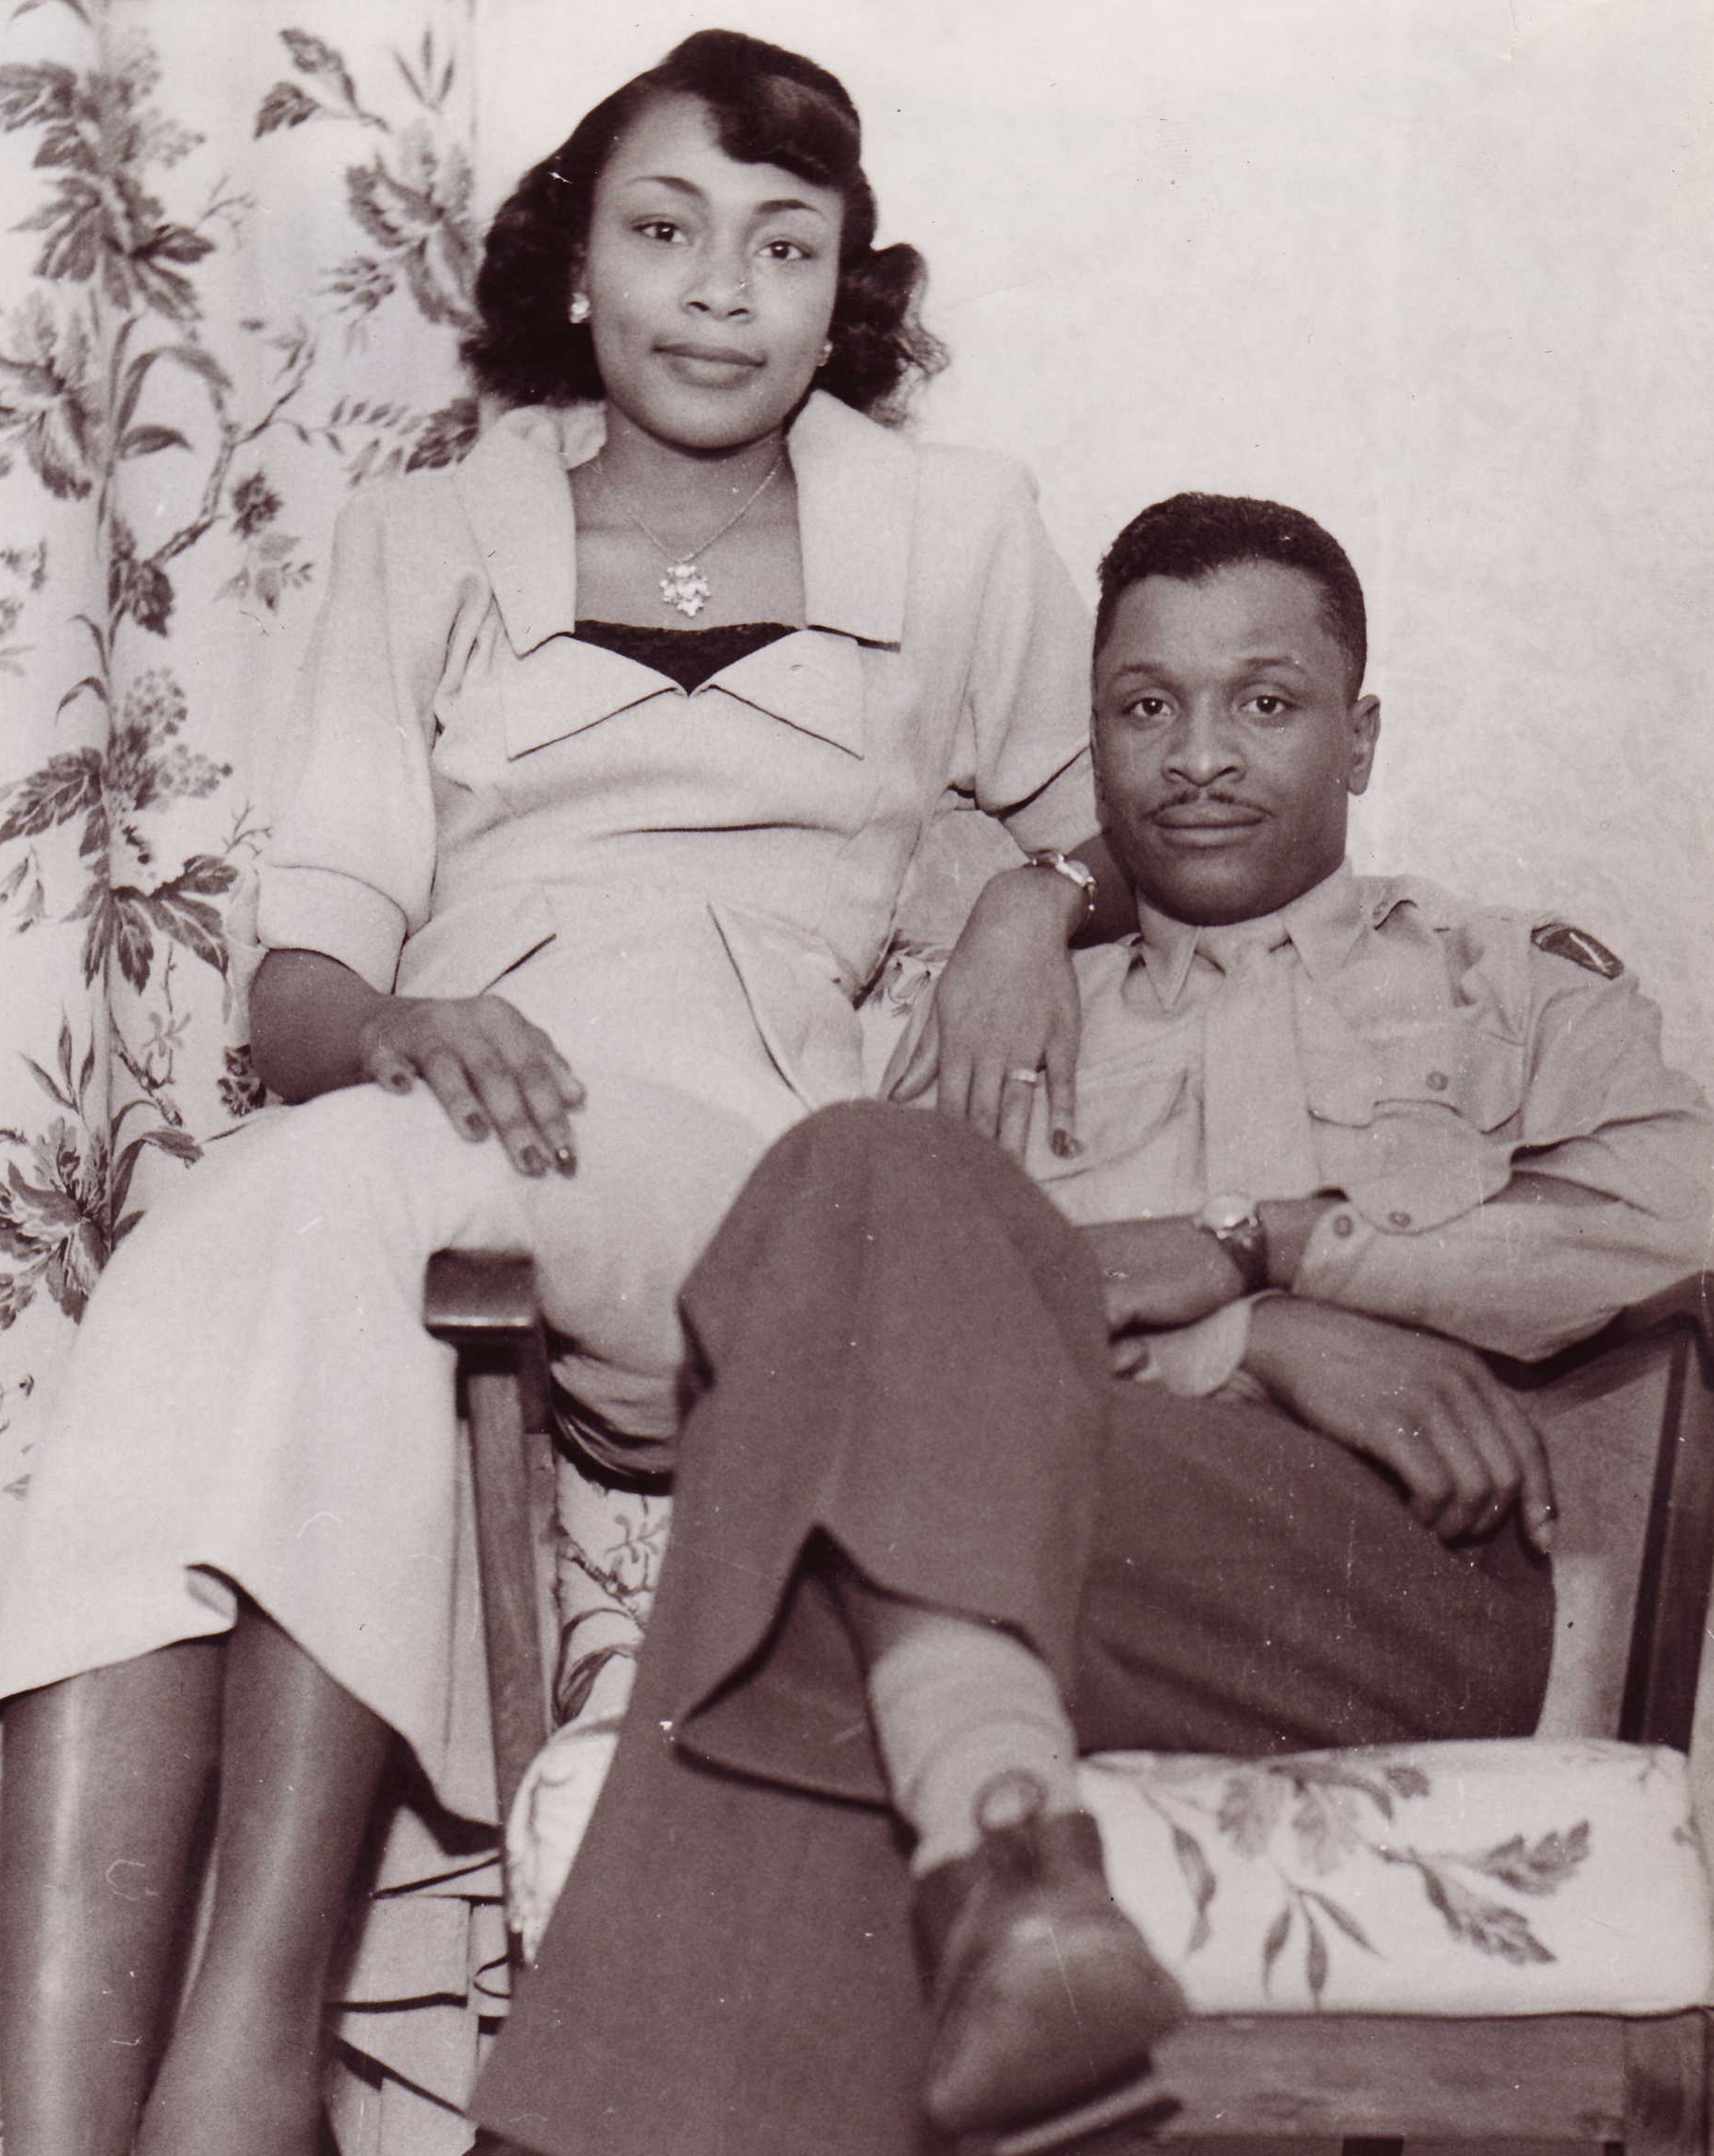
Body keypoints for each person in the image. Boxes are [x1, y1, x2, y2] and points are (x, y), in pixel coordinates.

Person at [0, 32, 1122, 2156]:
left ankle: (240, 2061)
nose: (720, 292)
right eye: (667, 231)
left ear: (842, 293)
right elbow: (306, 974)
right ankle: (91, 2124)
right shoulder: (424, 534)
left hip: (755, 1179)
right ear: (578, 266)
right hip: (454, 1115)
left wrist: (1021, 905)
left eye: (783, 247)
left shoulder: (956, 529)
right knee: (213, 1254)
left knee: (326, 1205)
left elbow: (1124, 820)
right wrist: (391, 1031)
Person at [474, 493, 1713, 2156]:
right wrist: (1241, 1345)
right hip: (1051, 1574)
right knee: (856, 1185)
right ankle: (1007, 1855)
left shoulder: (1502, 981)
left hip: (1391, 1587)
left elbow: (1678, 1211)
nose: (1197, 756)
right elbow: (847, 1339)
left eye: (1263, 702)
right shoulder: (993, 1032)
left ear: (1357, 738)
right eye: (1144, 705)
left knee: (806, 1570)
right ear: (1095, 737)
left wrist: (1275, 1250)